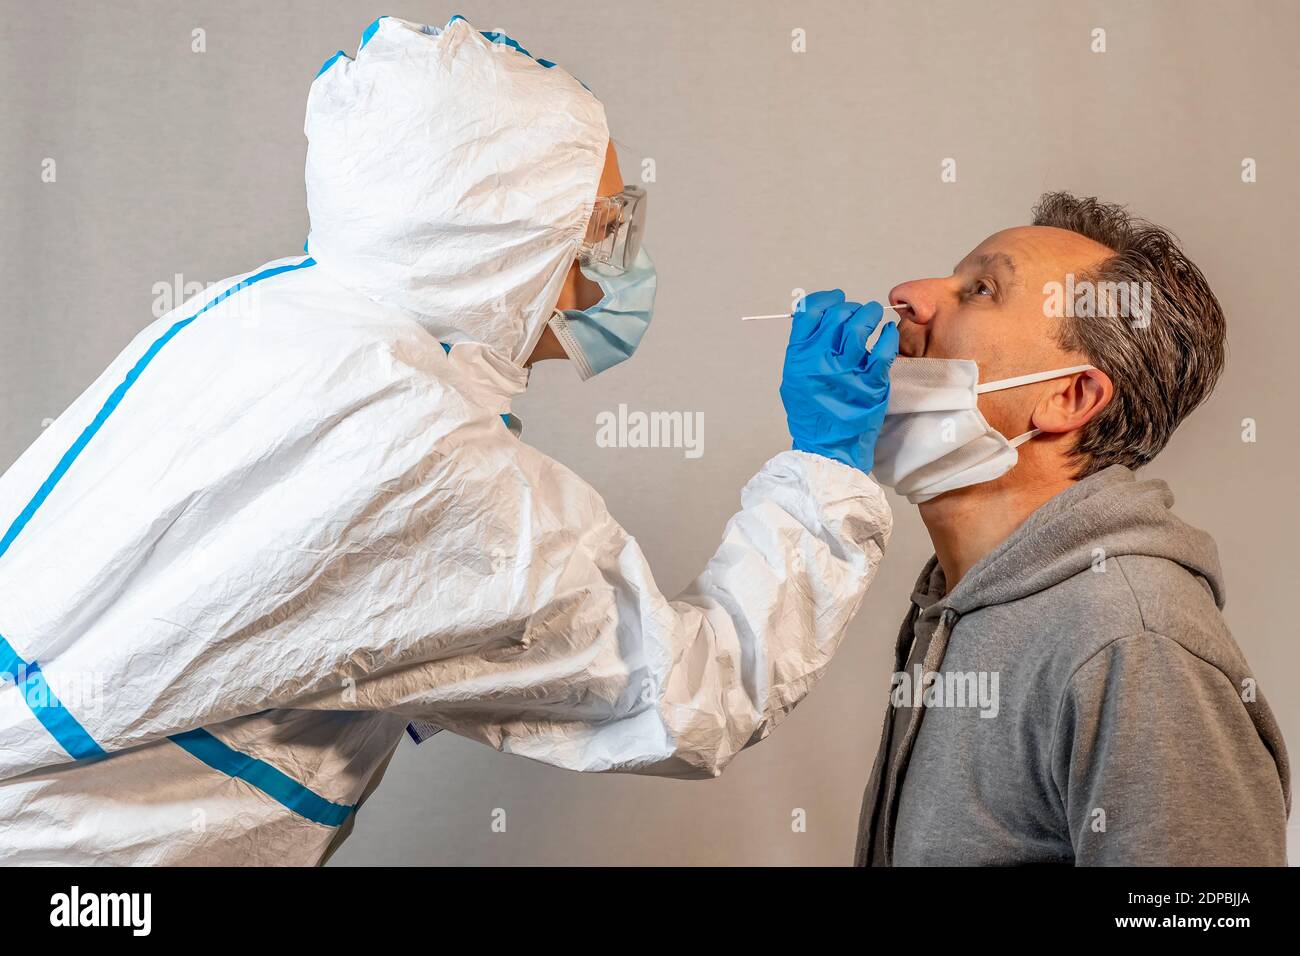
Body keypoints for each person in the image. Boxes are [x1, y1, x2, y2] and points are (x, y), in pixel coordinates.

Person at [0, 16, 898, 865]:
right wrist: (825, 471)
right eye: (602, 230)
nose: (617, 264)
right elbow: (692, 695)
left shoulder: (275, 314)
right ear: (499, 242)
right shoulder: (429, 463)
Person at [855, 192, 1290, 865]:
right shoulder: (960, 606)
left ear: (1070, 396)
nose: (907, 295)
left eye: (979, 290)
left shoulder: (1132, 640)